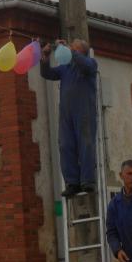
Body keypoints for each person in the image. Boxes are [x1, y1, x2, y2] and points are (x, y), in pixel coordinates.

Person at [40, 38, 98, 197]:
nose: (69, 48)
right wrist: (45, 56)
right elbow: (47, 73)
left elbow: (85, 64)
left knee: (86, 144)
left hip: (84, 111)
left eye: (73, 47)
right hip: (66, 114)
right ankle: (72, 183)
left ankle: (87, 180)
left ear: (81, 51)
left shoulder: (90, 64)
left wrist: (68, 51)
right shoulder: (65, 68)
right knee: (65, 146)